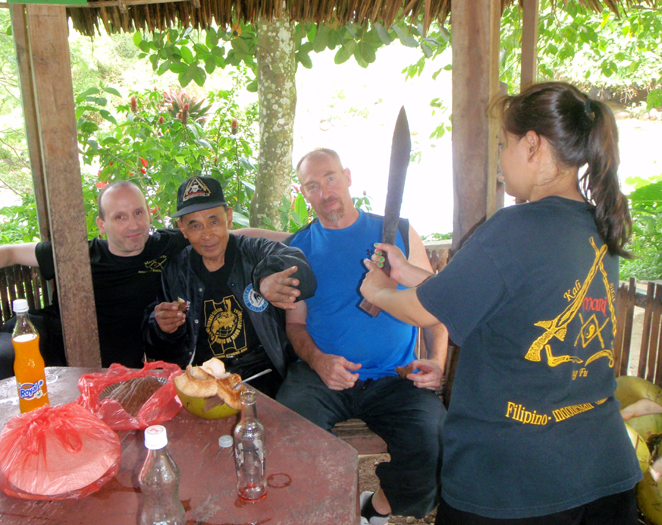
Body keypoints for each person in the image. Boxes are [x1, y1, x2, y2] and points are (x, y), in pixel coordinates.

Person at [360, 82, 641, 525]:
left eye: (503, 144)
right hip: (604, 470)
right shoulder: (595, 225)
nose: (500, 159)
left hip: (515, 482)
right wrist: (405, 274)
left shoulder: (517, 226)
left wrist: (376, 290)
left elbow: (423, 311)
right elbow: (489, 295)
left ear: (532, 145)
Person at [0, 181, 277, 397]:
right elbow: (11, 252)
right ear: (101, 223)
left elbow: (238, 235)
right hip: (52, 334)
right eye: (119, 216)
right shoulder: (78, 254)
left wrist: (301, 238)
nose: (132, 225)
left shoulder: (169, 243)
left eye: (139, 213)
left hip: (116, 353)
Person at [274, 148, 448, 524]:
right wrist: (319, 361)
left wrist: (437, 362)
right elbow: (295, 326)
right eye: (313, 185)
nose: (325, 191)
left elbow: (437, 310)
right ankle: (320, 513)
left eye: (331, 178)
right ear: (304, 193)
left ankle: (376, 509)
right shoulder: (297, 248)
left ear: (348, 176)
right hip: (323, 378)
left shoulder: (397, 231)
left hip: (395, 377)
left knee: (435, 440)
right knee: (287, 429)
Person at [146, 176, 317, 397]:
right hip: (203, 381)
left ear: (228, 218)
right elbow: (159, 349)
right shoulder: (174, 271)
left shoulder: (253, 251)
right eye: (195, 225)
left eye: (214, 221)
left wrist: (266, 277)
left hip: (264, 376)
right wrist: (162, 329)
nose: (207, 234)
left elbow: (298, 264)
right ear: (182, 229)